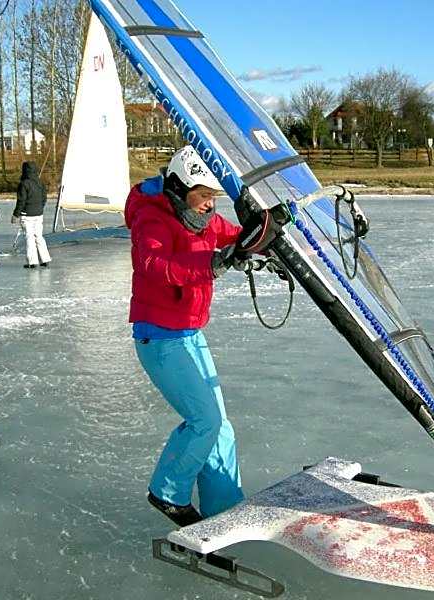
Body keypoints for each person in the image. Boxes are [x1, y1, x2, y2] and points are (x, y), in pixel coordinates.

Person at [125, 145, 250, 527]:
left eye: (213, 197)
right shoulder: (154, 219)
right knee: (204, 421)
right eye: (202, 196)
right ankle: (167, 491)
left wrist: (269, 228)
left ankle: (224, 509)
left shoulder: (204, 218)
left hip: (190, 334)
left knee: (219, 426)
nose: (209, 205)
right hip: (160, 339)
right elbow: (153, 262)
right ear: (179, 189)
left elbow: (237, 235)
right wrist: (210, 263)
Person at [11, 161, 51, 269]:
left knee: (29, 237)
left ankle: (32, 262)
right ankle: (45, 259)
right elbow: (44, 198)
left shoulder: (24, 184)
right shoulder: (40, 183)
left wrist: (15, 214)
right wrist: (39, 208)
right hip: (38, 214)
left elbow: (21, 201)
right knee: (39, 236)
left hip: (27, 215)